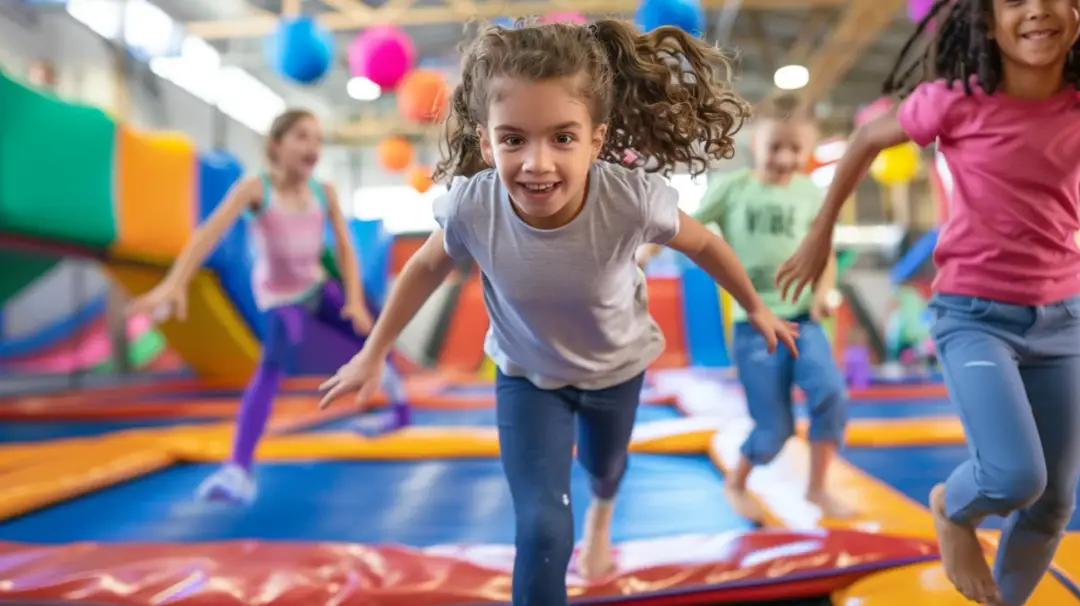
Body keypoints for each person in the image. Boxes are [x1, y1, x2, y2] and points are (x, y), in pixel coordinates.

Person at [317, 19, 799, 606]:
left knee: (604, 470)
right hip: (526, 377)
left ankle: (602, 512)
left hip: (615, 370)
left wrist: (756, 307)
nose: (537, 164)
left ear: (596, 140)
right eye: (514, 139)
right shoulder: (474, 206)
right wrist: (373, 354)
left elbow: (704, 245)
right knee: (542, 528)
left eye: (562, 138)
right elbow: (423, 269)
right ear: (486, 140)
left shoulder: (628, 199)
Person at [775, 0, 1080, 602]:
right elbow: (866, 136)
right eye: (1016, 0)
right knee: (1014, 475)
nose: (1038, 11)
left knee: (1053, 505)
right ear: (988, 21)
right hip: (975, 315)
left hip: (1064, 317)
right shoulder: (957, 99)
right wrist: (820, 233)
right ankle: (950, 506)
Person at [128, 109, 407, 505]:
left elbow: (345, 247)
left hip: (316, 285)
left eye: (316, 139)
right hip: (280, 298)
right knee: (273, 364)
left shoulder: (322, 190)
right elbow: (208, 233)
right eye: (301, 137)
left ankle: (400, 412)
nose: (312, 146)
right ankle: (238, 469)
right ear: (276, 145)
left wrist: (356, 301)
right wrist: (174, 283)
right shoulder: (255, 189)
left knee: (374, 335)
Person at [641, 95, 851, 523]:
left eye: (797, 149)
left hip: (805, 320)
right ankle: (736, 482)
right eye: (777, 147)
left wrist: (826, 292)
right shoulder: (735, 189)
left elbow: (824, 250)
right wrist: (645, 249)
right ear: (756, 143)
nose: (786, 158)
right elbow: (687, 226)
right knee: (773, 430)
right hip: (755, 324)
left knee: (831, 395)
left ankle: (816, 488)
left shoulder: (810, 194)